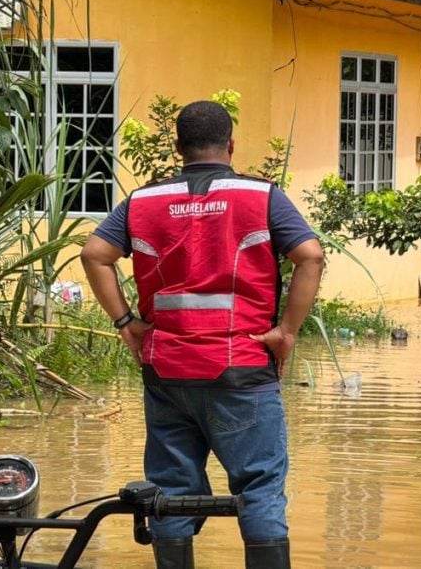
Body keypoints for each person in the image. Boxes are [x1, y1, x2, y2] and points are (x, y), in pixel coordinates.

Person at [81, 101, 324, 569]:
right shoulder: (261, 196)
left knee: (170, 492)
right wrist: (286, 332)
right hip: (243, 369)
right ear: (230, 145)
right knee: (259, 490)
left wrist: (124, 322)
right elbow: (309, 257)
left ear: (178, 148)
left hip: (166, 371)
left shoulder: (143, 201)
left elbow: (95, 254)